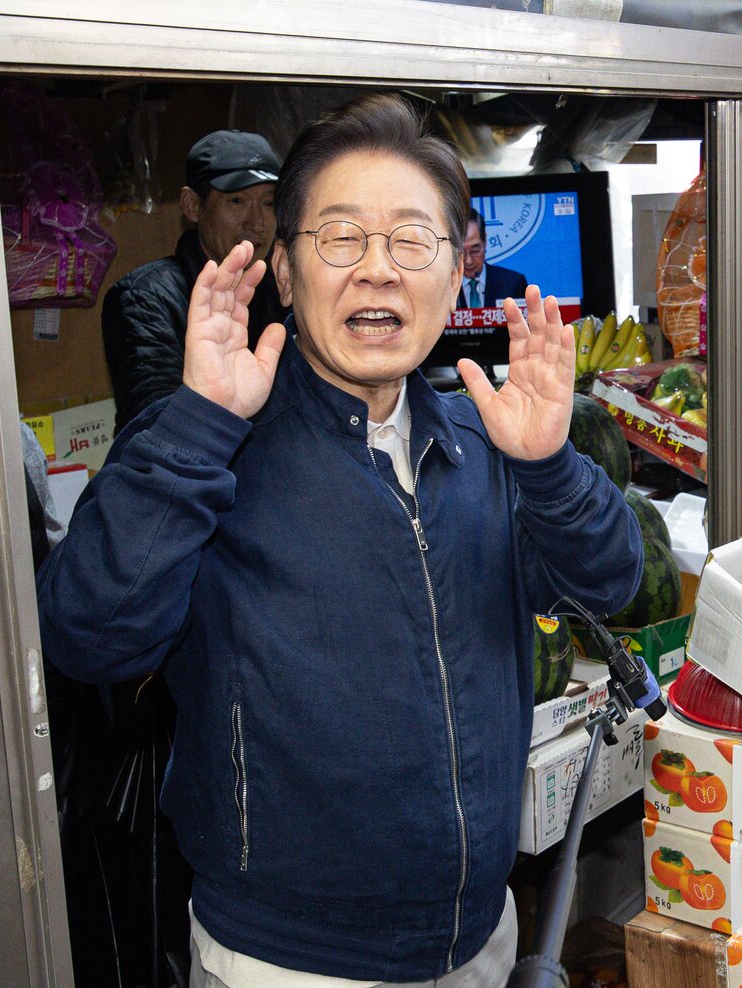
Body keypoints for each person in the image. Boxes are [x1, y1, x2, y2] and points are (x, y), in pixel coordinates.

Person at [37, 92, 642, 987]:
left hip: (480, 939)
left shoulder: (482, 443)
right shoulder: (206, 445)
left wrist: (549, 465)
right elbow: (89, 632)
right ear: (284, 272)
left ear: (457, 269)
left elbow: (611, 582)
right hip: (286, 963)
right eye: (340, 239)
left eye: (410, 242)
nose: (377, 271)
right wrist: (201, 425)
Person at [102, 129, 290, 433]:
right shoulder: (144, 297)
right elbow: (156, 426)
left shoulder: (283, 289)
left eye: (268, 203)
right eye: (237, 201)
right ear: (192, 205)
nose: (257, 222)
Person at [456, 207, 528, 308]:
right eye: (461, 252)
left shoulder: (514, 283)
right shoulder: (444, 288)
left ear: (485, 241)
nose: (468, 261)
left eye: (475, 251)